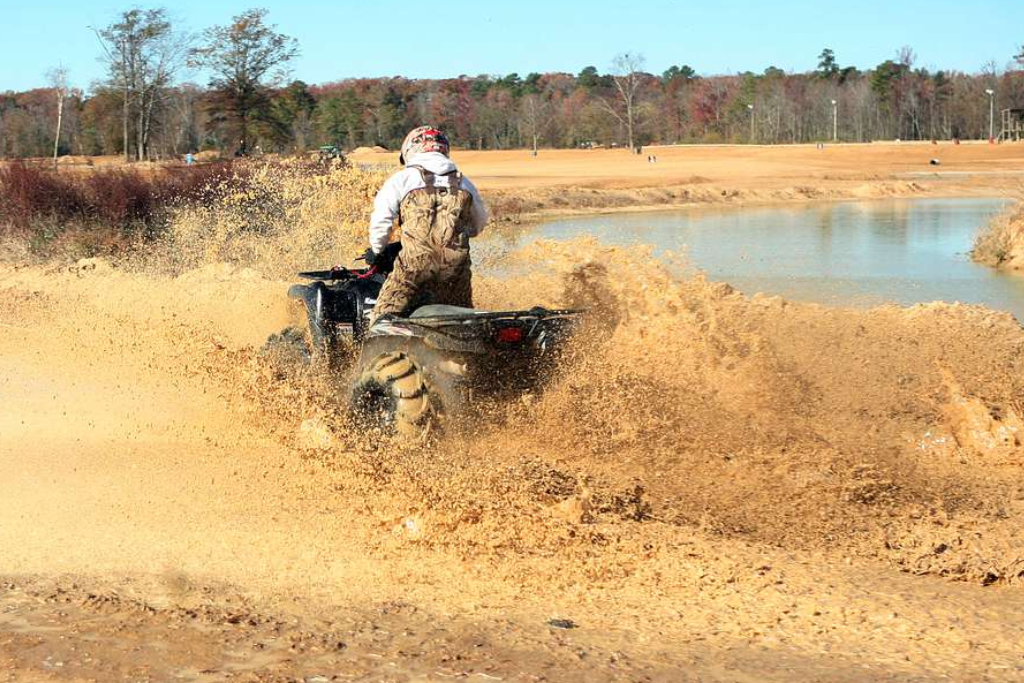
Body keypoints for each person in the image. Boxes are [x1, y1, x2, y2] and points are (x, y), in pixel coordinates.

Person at [363, 126, 488, 324]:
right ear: (444, 150)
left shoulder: (402, 179)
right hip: (456, 271)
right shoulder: (464, 183)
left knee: (382, 321)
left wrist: (378, 250)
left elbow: (382, 221)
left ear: (410, 151)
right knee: (464, 325)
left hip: (413, 268)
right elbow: (479, 225)